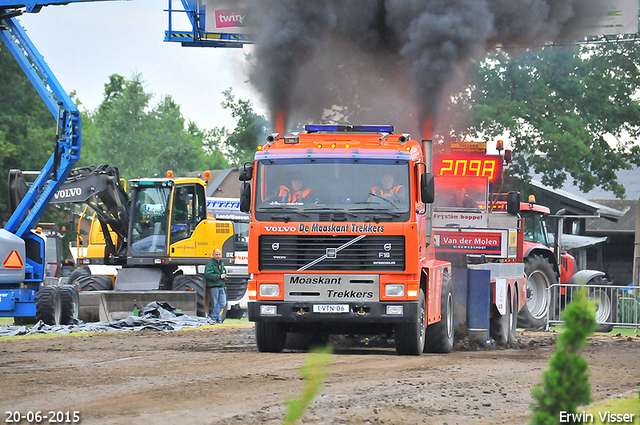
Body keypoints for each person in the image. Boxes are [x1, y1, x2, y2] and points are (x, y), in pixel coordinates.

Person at [204, 248, 228, 323]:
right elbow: (208, 275)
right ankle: (217, 319)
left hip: (221, 286)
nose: (218, 256)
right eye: (216, 254)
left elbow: (224, 272)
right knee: (215, 303)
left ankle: (213, 317)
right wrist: (219, 276)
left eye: (219, 254)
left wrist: (225, 276)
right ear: (213, 255)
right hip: (213, 286)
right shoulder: (210, 264)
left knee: (223, 303)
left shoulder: (221, 263)